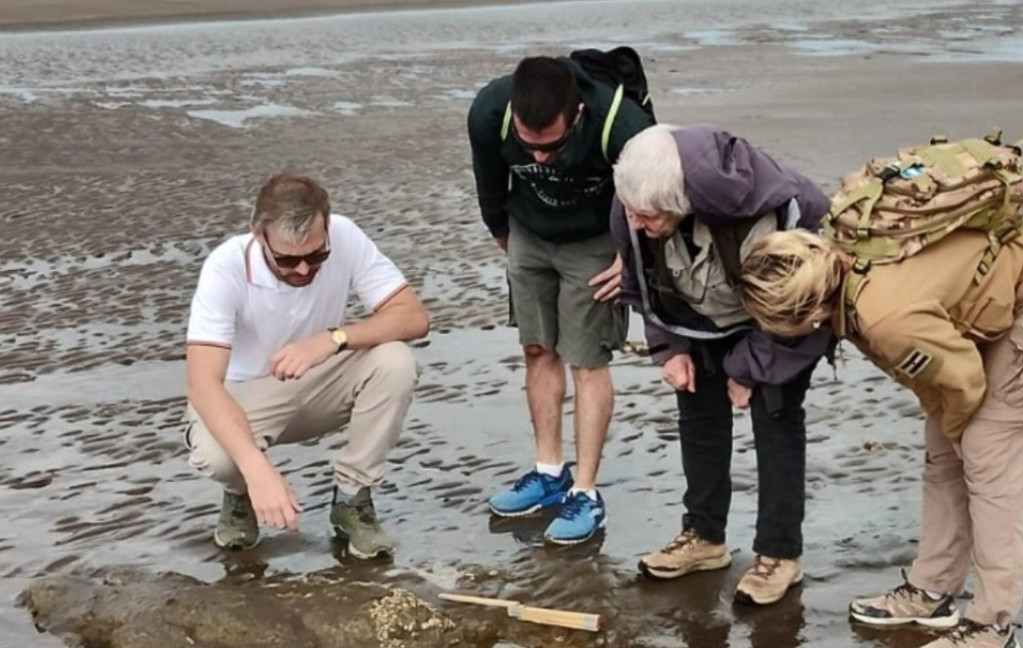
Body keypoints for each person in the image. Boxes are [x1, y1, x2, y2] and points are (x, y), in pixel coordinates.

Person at [739, 211, 1023, 645]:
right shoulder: (838, 267)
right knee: (944, 451)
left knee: (991, 462)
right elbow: (940, 382)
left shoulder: (883, 318)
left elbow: (964, 384)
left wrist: (966, 443)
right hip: (987, 293)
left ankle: (992, 627)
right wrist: (951, 435)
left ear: (809, 315)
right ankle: (932, 591)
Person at [610, 123, 833, 605]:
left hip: (779, 319)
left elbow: (798, 310)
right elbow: (641, 282)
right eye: (630, 212)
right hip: (698, 314)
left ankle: (780, 554)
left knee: (775, 419)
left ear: (680, 202)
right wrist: (669, 349)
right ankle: (705, 538)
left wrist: (747, 368)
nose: (634, 222)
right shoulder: (634, 200)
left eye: (646, 216)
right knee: (697, 413)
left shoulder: (764, 213)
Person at [184, 174, 429, 560]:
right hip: (245, 397)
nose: (302, 270)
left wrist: (332, 338)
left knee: (395, 360)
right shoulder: (225, 267)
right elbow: (202, 385)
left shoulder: (345, 235)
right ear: (258, 235)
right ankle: (238, 495)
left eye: (316, 256)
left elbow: (414, 317)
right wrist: (257, 470)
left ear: (327, 229)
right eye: (286, 259)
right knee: (216, 456)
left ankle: (351, 500)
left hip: (318, 382)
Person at [467, 54, 654, 544]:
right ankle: (550, 475)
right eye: (530, 148)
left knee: (586, 361)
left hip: (596, 240)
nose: (541, 159)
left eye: (553, 147)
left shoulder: (622, 123)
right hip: (529, 232)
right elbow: (489, 179)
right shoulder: (491, 111)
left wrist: (632, 256)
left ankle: (586, 494)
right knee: (537, 349)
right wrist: (501, 231)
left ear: (577, 114)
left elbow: (657, 193)